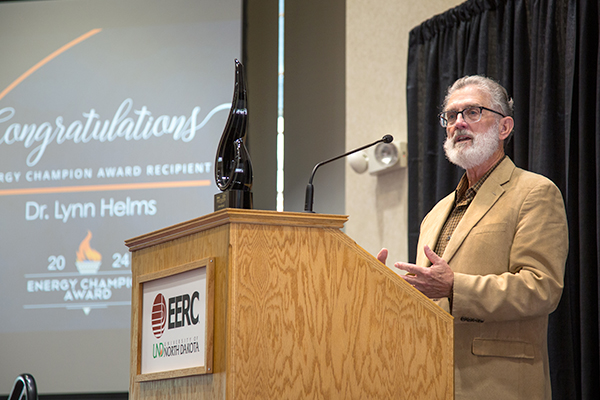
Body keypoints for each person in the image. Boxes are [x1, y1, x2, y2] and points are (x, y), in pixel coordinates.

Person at [378, 75, 568, 399]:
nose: (458, 124)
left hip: (499, 383)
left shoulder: (534, 193)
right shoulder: (435, 214)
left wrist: (456, 287)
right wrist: (385, 288)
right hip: (432, 379)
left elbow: (542, 287)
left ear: (504, 127)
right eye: (451, 116)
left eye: (472, 113)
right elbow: (430, 300)